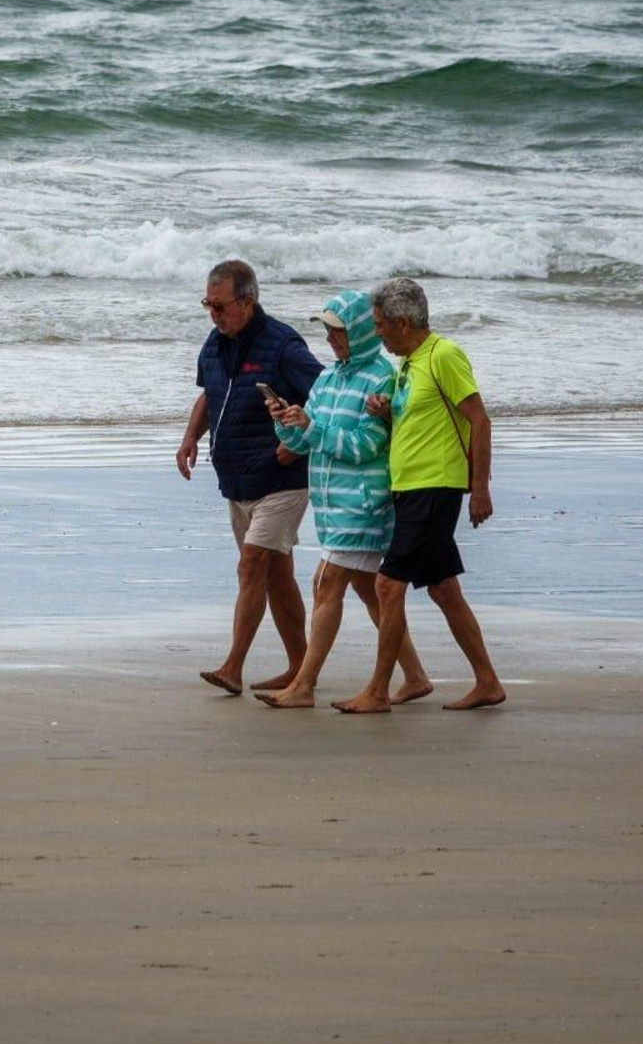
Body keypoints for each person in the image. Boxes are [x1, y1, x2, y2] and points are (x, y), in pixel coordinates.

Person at [255, 289, 433, 711]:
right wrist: (286, 423)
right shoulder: (328, 377)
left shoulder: (382, 378)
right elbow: (304, 440)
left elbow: (368, 445)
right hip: (331, 505)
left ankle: (304, 685)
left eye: (339, 331)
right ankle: (415, 675)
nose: (332, 340)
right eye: (328, 332)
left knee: (325, 583)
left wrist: (312, 431)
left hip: (365, 503)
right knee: (371, 594)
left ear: (360, 331)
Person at [355, 277, 506, 711]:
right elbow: (416, 426)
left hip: (435, 487)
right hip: (410, 489)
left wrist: (480, 488)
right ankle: (488, 681)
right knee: (443, 590)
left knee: (387, 585)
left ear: (404, 323)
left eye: (381, 324)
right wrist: (386, 415)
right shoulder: (407, 363)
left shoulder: (444, 356)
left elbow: (479, 420)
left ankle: (379, 691)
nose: (378, 332)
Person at [176, 260, 324, 696]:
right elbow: (210, 394)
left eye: (220, 306)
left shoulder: (283, 346)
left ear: (247, 301)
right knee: (276, 576)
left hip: (281, 479)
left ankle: (233, 667)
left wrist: (298, 442)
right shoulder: (216, 341)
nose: (213, 314)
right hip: (237, 482)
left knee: (251, 564)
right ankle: (301, 668)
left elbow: (327, 394)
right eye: (208, 304)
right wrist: (189, 438)